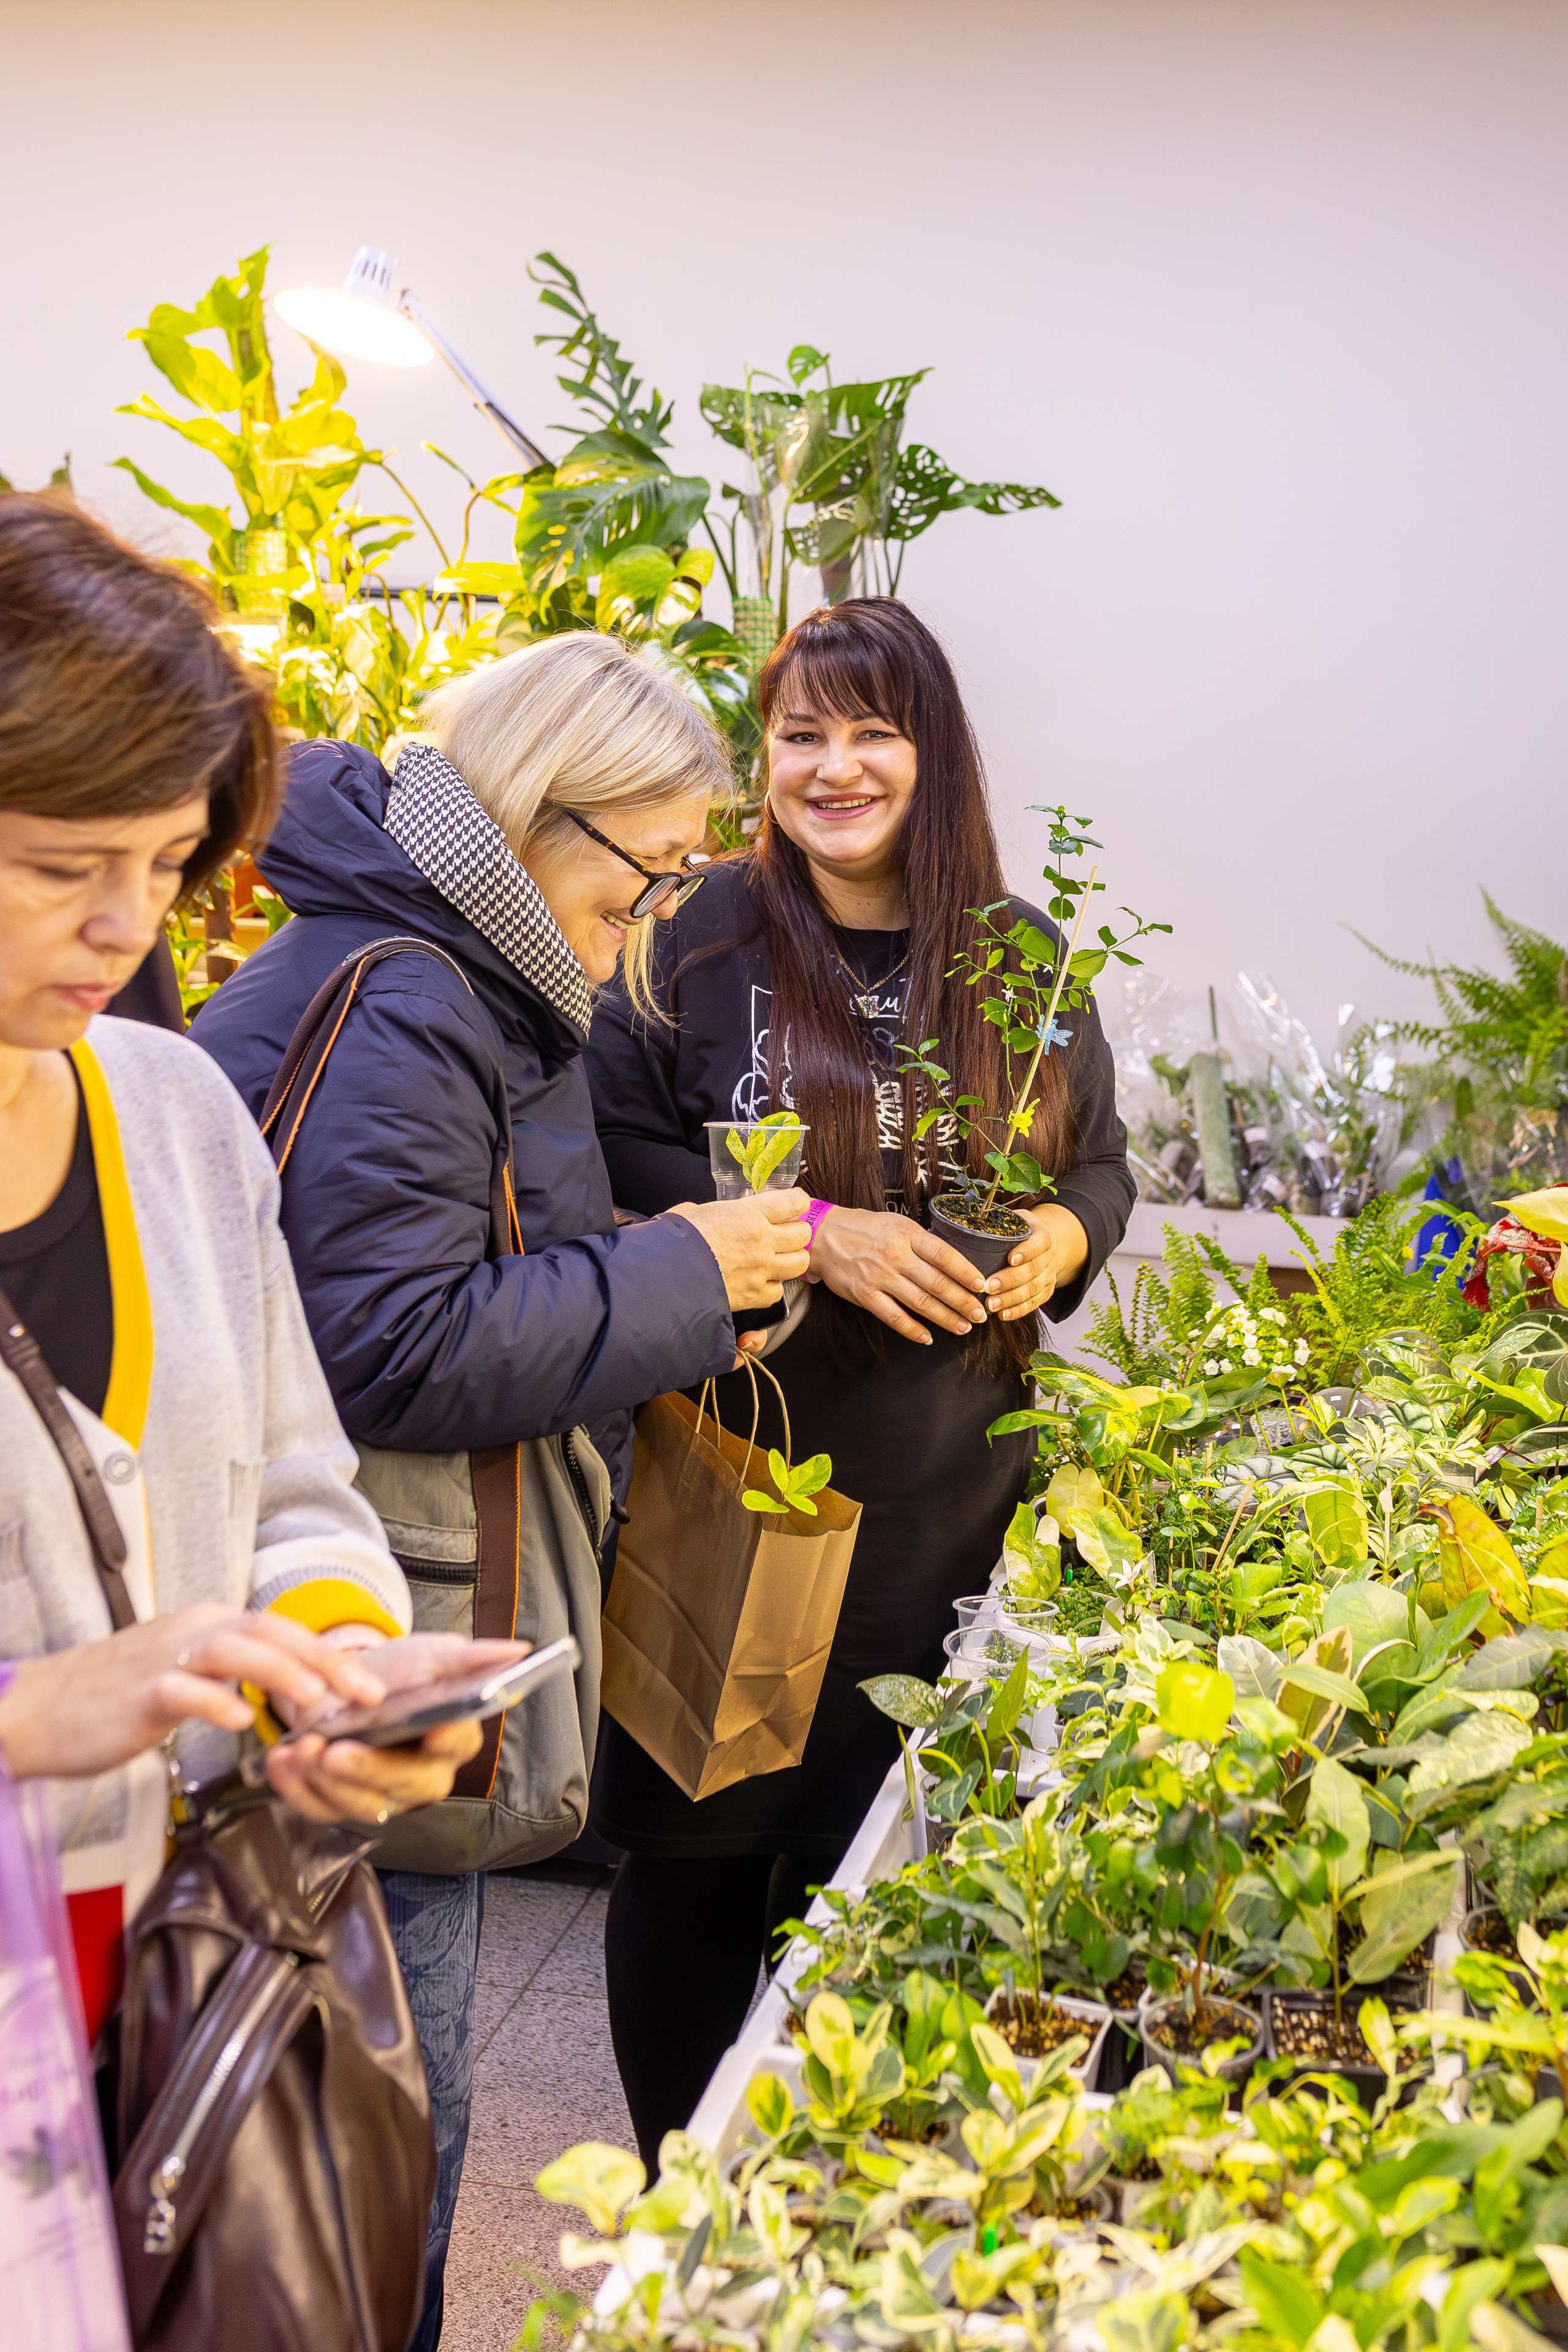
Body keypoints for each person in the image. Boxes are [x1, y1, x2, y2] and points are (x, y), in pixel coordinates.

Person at [194, 632, 809, 2347]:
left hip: (381, 1611)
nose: (658, 912)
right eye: (651, 867)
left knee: (365, 2124)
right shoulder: (417, 993)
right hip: (379, 1631)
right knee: (390, 2130)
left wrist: (648, 1261)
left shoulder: (450, 969)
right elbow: (386, 1339)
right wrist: (682, 1273)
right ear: (553, 815)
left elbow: (440, 1259)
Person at [583, 595, 1136, 2159]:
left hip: (951, 1498)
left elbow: (1102, 1165)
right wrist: (809, 1231)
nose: (830, 767)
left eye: (868, 730)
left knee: (873, 1861)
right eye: (798, 733)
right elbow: (595, 1156)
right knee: (696, 1863)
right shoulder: (692, 938)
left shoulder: (1018, 956)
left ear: (929, 750)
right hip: (736, 1481)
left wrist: (1054, 1231)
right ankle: (682, 2198)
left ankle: (821, 2207)